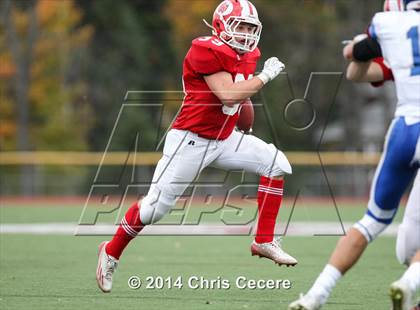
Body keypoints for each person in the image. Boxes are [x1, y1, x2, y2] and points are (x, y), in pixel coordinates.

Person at [96, 0, 298, 293]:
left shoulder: (249, 53)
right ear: (221, 26)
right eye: (239, 26)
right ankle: (111, 252)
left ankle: (264, 240)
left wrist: (246, 111)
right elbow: (228, 95)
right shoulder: (206, 49)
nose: (245, 34)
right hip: (191, 140)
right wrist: (263, 77)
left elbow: (239, 93)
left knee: (277, 164)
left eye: (249, 28)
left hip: (225, 138)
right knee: (153, 210)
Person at [288, 0, 420, 309]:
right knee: (407, 250)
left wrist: (362, 46)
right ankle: (409, 282)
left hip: (404, 128)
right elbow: (357, 71)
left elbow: (353, 55)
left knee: (373, 222)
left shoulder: (389, 25)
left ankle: (315, 296)